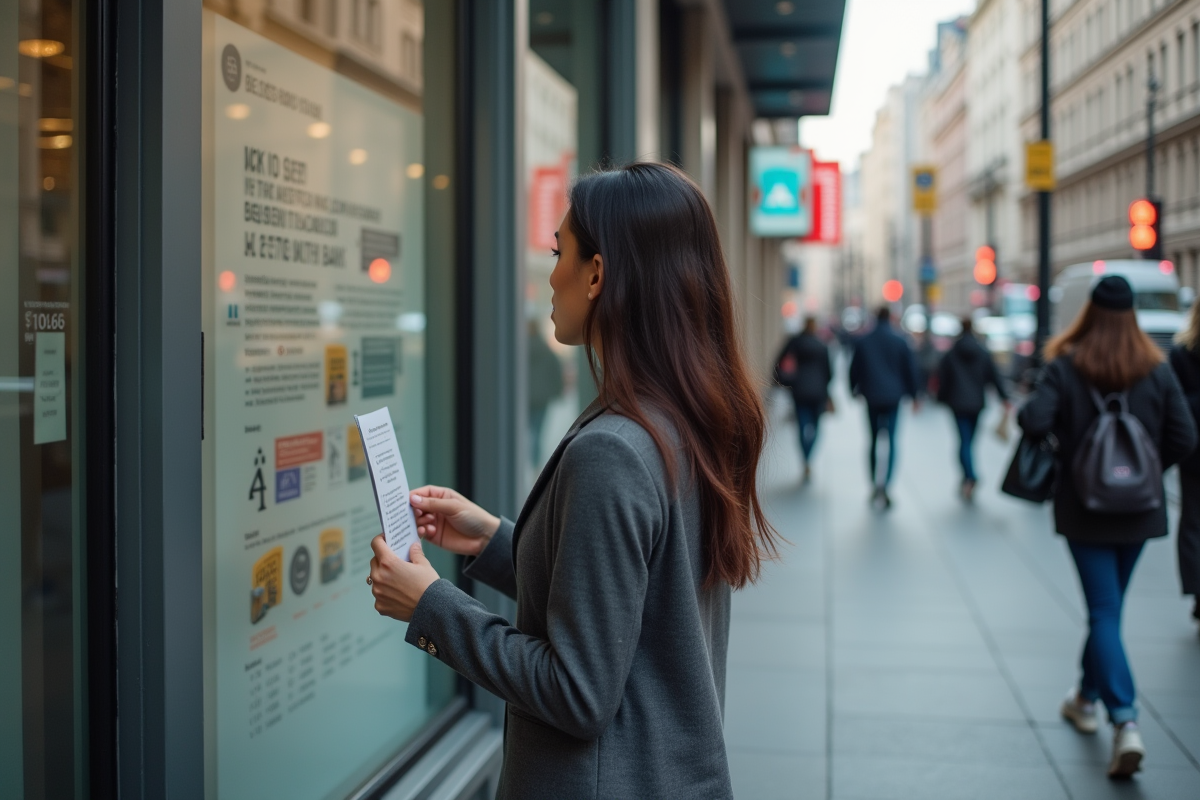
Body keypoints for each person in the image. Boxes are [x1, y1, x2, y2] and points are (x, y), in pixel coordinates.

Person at [364, 163, 779, 800]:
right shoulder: (686, 419)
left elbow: (577, 692)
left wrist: (430, 607)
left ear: (597, 273)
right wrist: (493, 541)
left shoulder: (615, 449)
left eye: (560, 251)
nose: (550, 273)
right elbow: (639, 606)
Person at [1018, 275, 1197, 779]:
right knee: (1109, 609)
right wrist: (1141, 473)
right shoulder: (1155, 369)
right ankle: (1084, 696)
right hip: (1140, 511)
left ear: (1090, 314)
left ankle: (1125, 720)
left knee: (1103, 610)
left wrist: (1080, 459)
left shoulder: (1068, 365)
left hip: (1084, 508)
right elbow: (1184, 436)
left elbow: (1033, 422)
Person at [848, 305, 920, 508]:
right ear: (891, 318)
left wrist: (852, 389)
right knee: (892, 441)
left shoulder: (864, 340)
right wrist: (915, 396)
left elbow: (854, 369)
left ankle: (873, 483)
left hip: (871, 396)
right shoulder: (900, 340)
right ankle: (886, 484)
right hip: (893, 398)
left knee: (872, 441)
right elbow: (910, 370)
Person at [936, 317, 1011, 501]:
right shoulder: (982, 352)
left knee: (964, 442)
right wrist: (1004, 398)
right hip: (977, 403)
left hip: (957, 403)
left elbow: (943, 379)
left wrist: (941, 398)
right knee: (970, 442)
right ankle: (969, 477)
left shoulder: (952, 353)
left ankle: (969, 476)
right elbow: (994, 376)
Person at [1169, 298, 1200, 622]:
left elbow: (1173, 407)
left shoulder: (1182, 353)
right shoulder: (1180, 354)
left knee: (1192, 522)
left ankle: (1197, 589)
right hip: (1191, 450)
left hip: (1192, 450)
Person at [774, 316, 833, 483]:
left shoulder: (796, 342)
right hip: (818, 392)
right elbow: (829, 372)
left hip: (799, 389)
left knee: (801, 425)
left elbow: (779, 361)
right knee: (816, 427)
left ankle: (805, 459)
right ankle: (809, 456)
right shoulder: (822, 345)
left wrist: (783, 379)